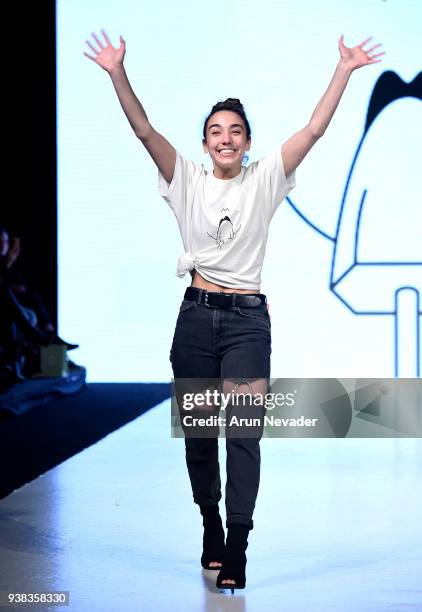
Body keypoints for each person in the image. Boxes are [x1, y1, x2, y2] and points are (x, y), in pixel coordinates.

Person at [84, 30, 384, 592]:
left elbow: (314, 130)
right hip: (195, 321)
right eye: (216, 131)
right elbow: (144, 130)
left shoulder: (265, 178)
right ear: (204, 143)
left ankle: (239, 547)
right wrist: (116, 73)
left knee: (243, 434)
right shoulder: (186, 180)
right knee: (200, 438)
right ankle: (211, 529)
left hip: (247, 322)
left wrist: (343, 70)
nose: (226, 139)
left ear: (247, 143)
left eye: (236, 132)